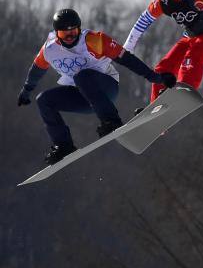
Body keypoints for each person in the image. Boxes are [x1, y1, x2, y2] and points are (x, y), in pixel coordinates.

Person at [17, 9, 176, 165]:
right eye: (65, 34)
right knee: (44, 100)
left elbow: (127, 60)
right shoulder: (50, 50)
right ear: (57, 33)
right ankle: (64, 146)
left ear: (80, 28)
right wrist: (26, 91)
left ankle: (112, 120)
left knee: (82, 75)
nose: (70, 37)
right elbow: (36, 71)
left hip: (106, 88)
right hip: (83, 96)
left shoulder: (95, 40)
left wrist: (155, 77)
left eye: (74, 32)